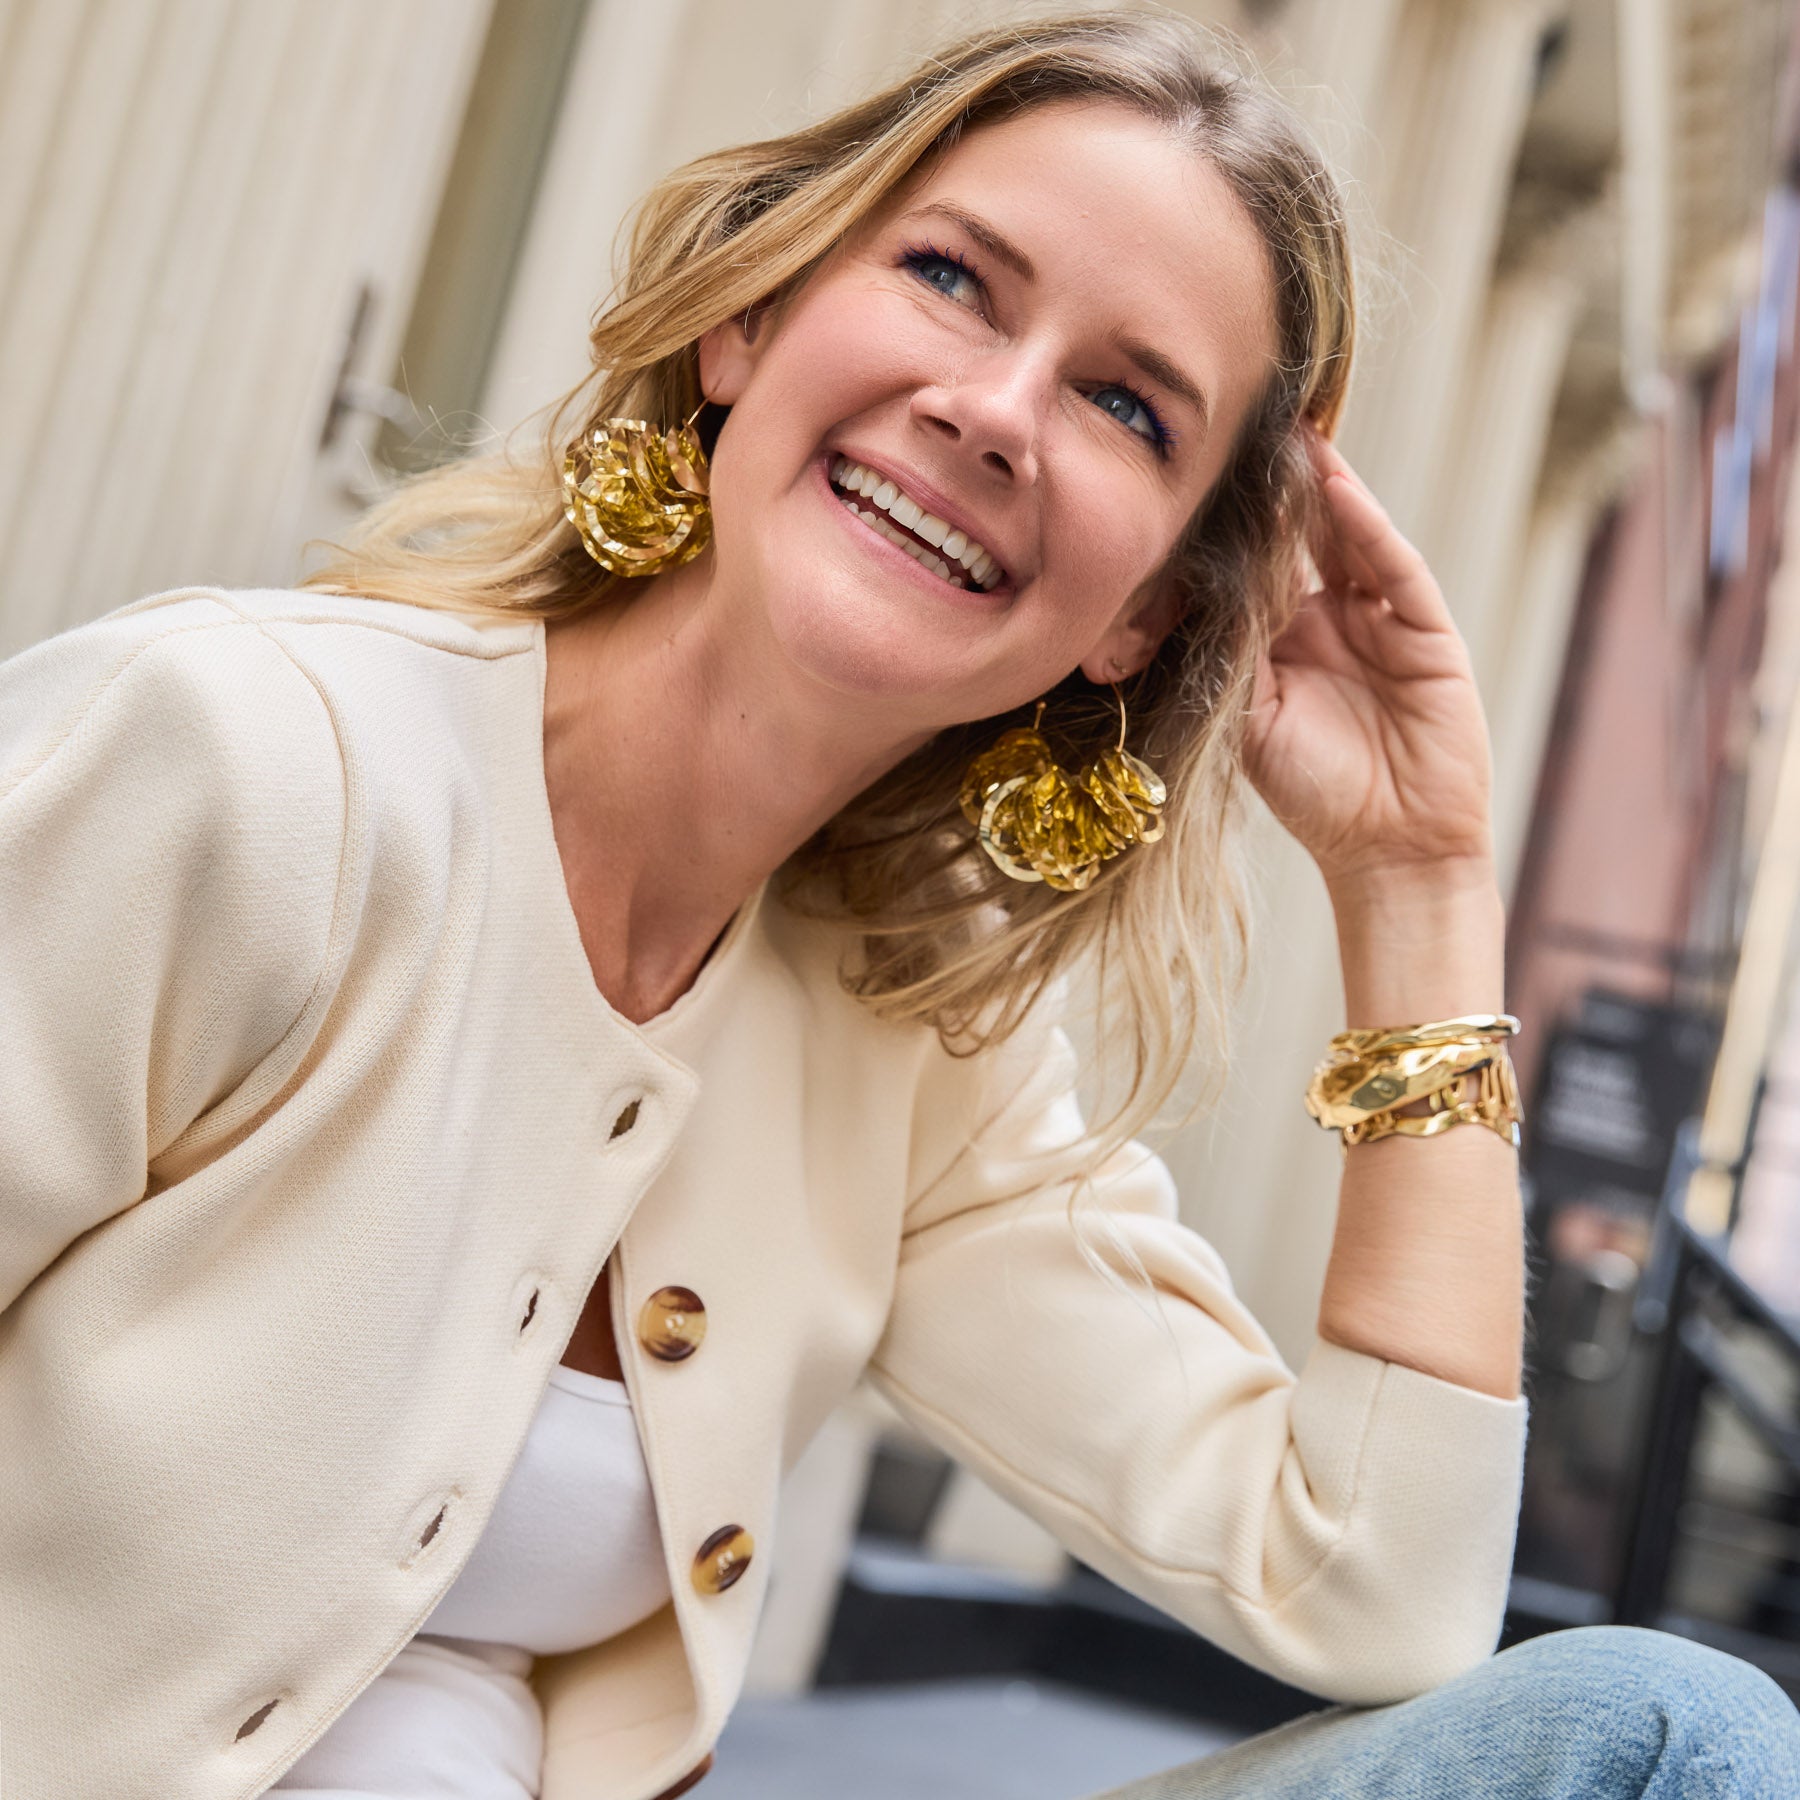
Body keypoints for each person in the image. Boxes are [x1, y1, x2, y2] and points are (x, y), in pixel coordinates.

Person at [1, 11, 1794, 1799]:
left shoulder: (916, 1059)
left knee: (1666, 1739)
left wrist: (1420, 889)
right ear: (746, 320)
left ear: (1140, 621)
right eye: (951, 277)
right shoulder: (241, 767)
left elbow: (1375, 1591)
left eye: (1125, 404)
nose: (996, 411)